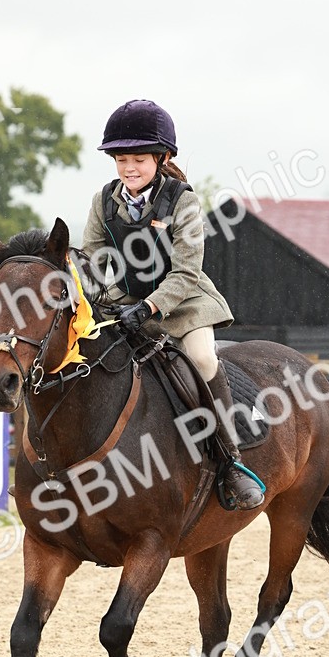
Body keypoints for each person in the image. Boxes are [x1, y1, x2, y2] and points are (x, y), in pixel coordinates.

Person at [81, 99, 265, 511]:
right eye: (122, 159)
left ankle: (230, 458)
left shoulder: (182, 201)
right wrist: (92, 297)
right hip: (125, 301)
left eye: (139, 160)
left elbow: (184, 273)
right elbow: (93, 259)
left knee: (200, 358)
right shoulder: (103, 201)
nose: (129, 168)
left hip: (183, 301)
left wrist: (147, 309)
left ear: (161, 158)